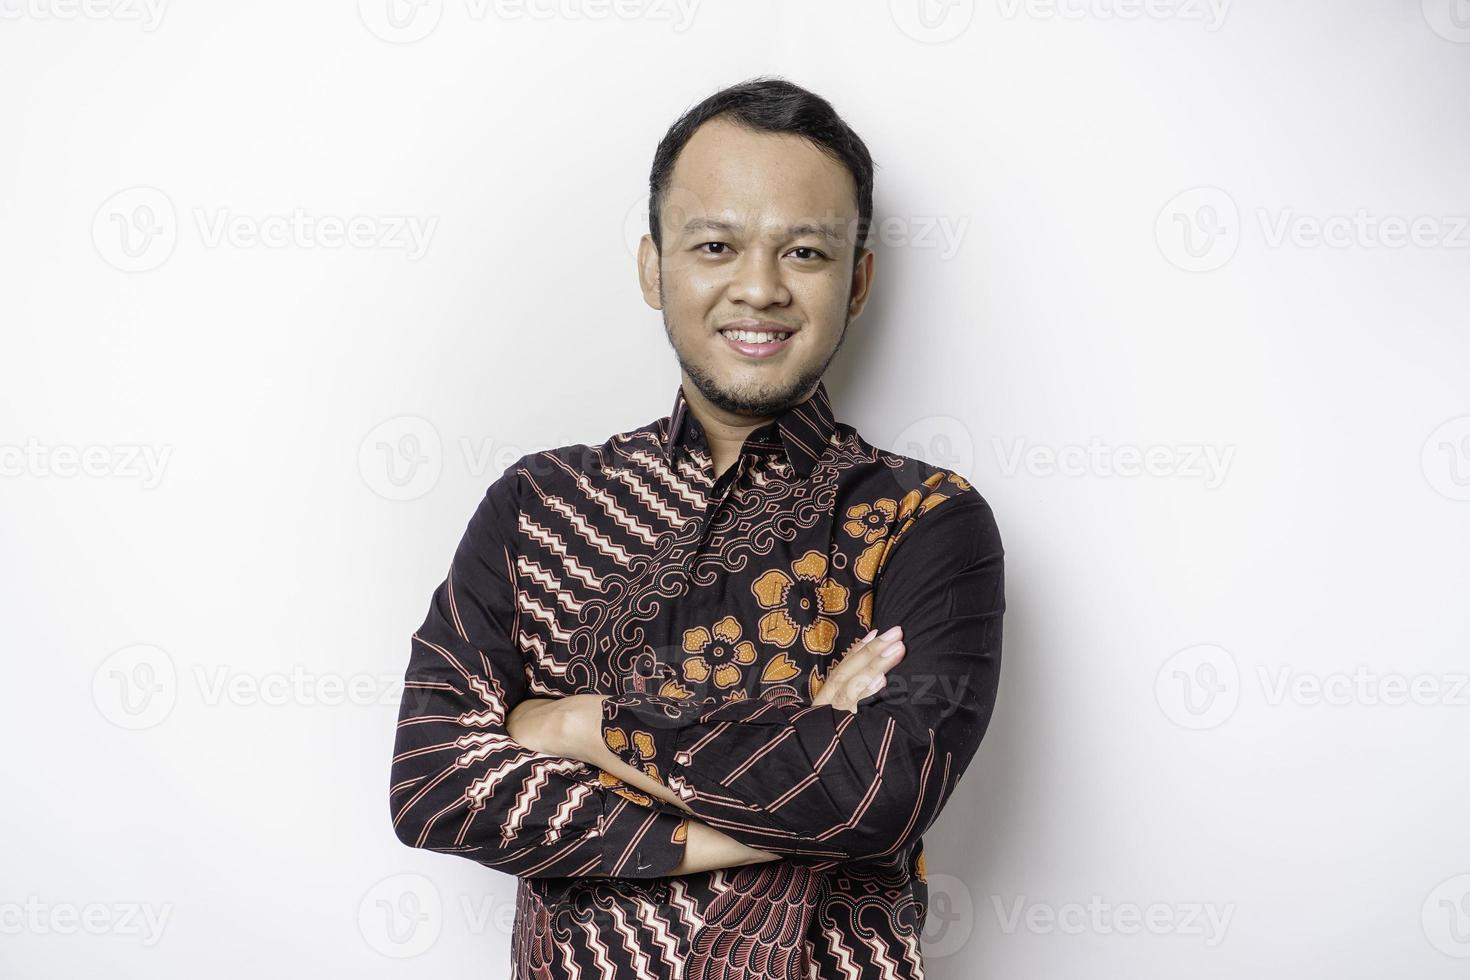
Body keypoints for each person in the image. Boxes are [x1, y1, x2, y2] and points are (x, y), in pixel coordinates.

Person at [389, 75, 1005, 979]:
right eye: (716, 244)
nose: (758, 288)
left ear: (859, 280)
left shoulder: (926, 522)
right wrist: (792, 759)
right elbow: (435, 782)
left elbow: (879, 792)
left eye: (804, 253)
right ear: (655, 267)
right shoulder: (538, 507)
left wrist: (574, 727)